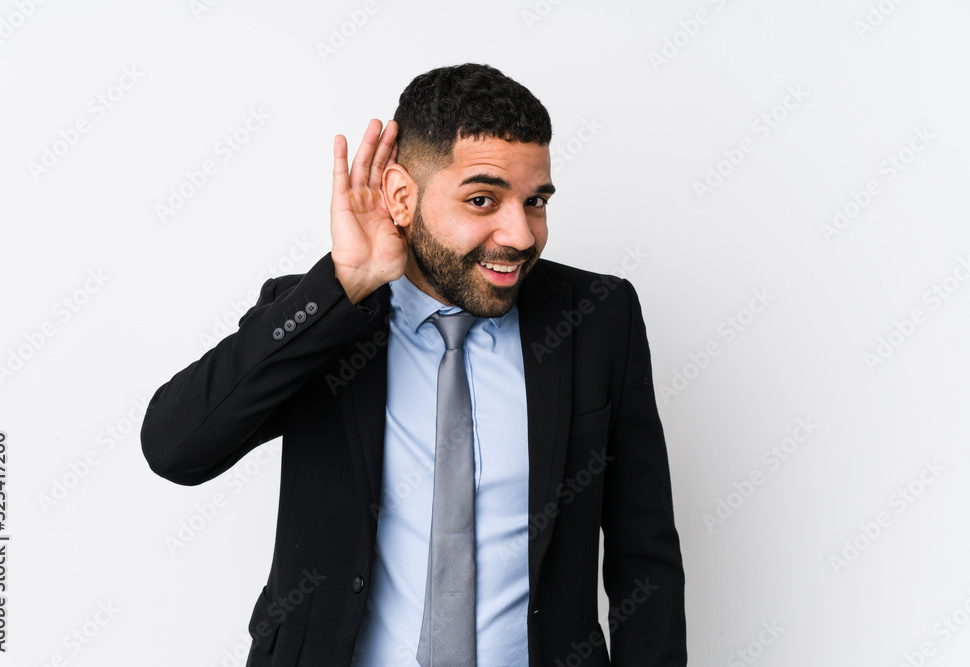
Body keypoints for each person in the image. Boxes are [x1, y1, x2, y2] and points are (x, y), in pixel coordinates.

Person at [141, 63, 686, 666]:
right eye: (482, 200)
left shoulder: (597, 317)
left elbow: (645, 553)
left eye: (535, 202)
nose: (521, 235)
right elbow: (175, 449)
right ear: (402, 197)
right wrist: (341, 288)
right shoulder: (324, 317)